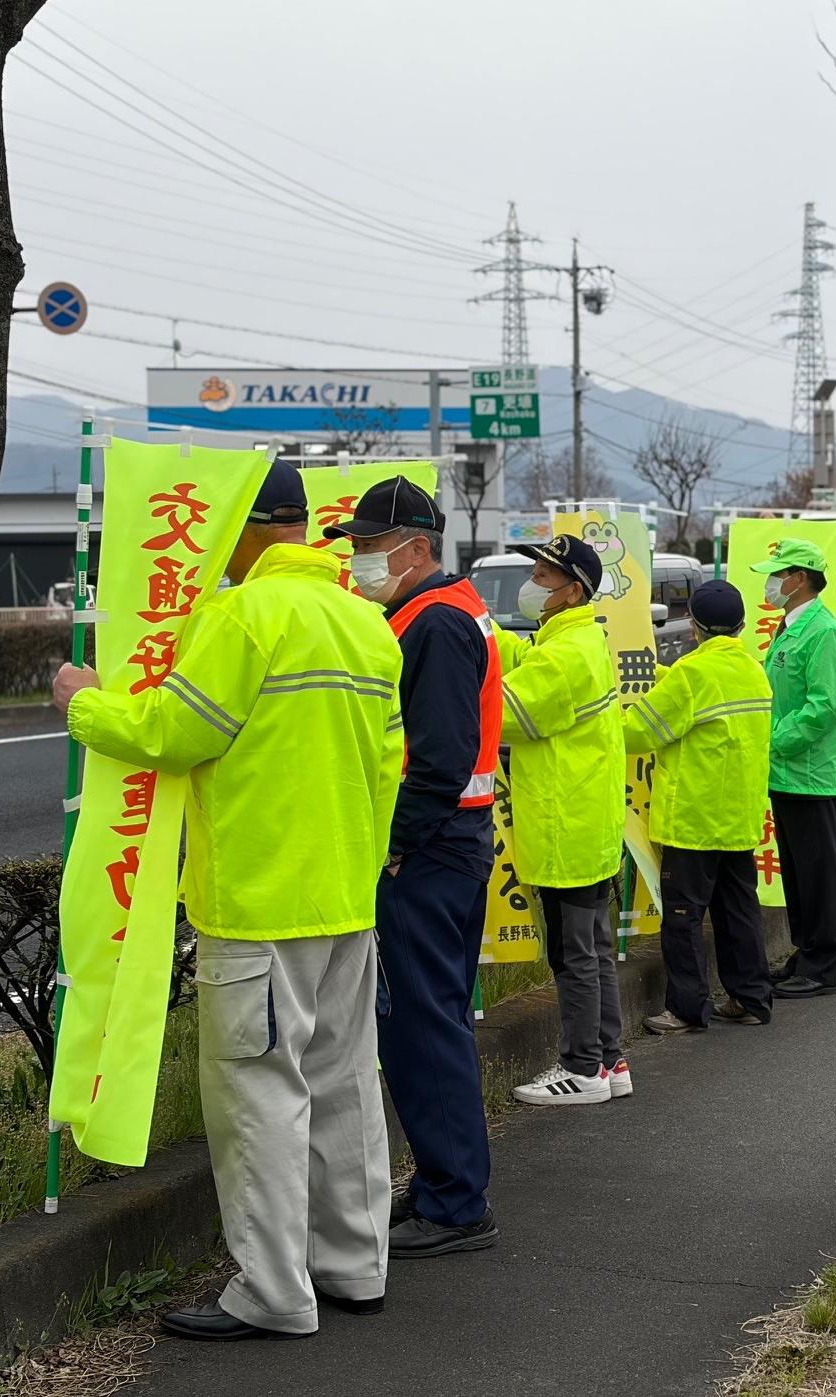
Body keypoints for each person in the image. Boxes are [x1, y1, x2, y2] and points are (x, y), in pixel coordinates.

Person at [54, 461, 403, 1340]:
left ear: (247, 531)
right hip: (346, 897)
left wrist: (88, 704)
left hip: (257, 900)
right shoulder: (369, 626)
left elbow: (176, 731)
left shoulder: (242, 614)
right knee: (344, 1084)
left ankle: (275, 1291)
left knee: (259, 1093)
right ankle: (355, 1267)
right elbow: (391, 764)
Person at [325, 476, 499, 1259]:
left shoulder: (431, 622)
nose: (359, 561)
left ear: (418, 547)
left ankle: (456, 1200)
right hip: (452, 844)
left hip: (428, 850)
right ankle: (442, 1182)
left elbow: (437, 757)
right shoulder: (450, 611)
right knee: (435, 1020)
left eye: (368, 547)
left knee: (422, 1026)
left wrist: (393, 844)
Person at [494, 535, 628, 1102]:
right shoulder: (572, 641)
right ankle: (610, 1061)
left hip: (564, 822)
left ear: (574, 590)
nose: (534, 583)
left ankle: (584, 1068)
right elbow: (523, 662)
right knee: (594, 947)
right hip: (586, 821)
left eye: (545, 576)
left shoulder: (566, 653)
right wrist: (482, 627)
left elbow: (509, 711)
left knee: (574, 954)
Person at [626, 581, 776, 1029]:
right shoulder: (753, 669)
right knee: (739, 911)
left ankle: (688, 1008)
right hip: (740, 815)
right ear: (742, 626)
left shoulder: (692, 675)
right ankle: (751, 998)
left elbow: (640, 731)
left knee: (682, 918)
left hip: (693, 818)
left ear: (693, 625)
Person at [752, 539, 836, 999]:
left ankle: (823, 962)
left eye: (779, 573)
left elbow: (826, 706)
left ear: (801, 578)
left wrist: (774, 740)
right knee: (797, 871)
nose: (773, 582)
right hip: (787, 771)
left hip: (810, 771)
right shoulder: (790, 628)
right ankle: (805, 952)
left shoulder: (823, 631)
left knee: (818, 872)